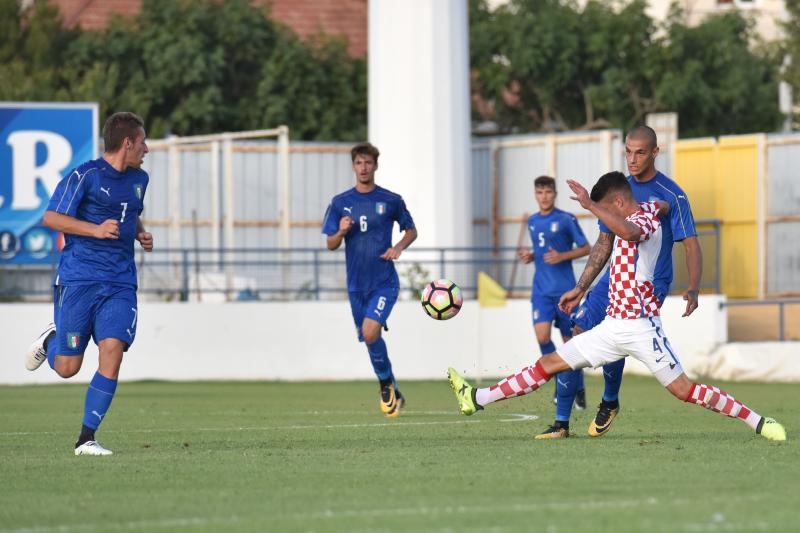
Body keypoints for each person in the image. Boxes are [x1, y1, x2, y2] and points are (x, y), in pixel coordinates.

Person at [447, 171, 786, 442]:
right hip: (611, 327)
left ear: (619, 202)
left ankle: (758, 421)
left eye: (608, 210)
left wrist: (590, 205)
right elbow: (648, 212)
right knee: (549, 363)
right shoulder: (649, 209)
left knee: (684, 390)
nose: (604, 218)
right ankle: (476, 399)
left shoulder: (644, 221)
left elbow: (631, 231)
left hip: (642, 328)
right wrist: (581, 287)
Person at [555, 124, 704, 438]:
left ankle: (609, 400)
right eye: (628, 152)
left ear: (655, 152)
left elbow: (691, 244)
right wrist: (581, 287)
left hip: (649, 283)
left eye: (639, 153)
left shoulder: (672, 194)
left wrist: (693, 287)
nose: (632, 159)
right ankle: (560, 423)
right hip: (614, 278)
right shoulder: (619, 190)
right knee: (576, 332)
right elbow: (604, 243)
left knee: (619, 333)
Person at [25, 111, 153, 456]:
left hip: (120, 281)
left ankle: (86, 438)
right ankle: (51, 339)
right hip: (79, 279)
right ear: (127, 143)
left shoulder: (140, 179)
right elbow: (52, 217)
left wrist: (139, 232)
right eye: (143, 142)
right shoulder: (86, 175)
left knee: (113, 350)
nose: (147, 149)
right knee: (68, 367)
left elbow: (130, 210)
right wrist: (95, 230)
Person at [322, 142, 417, 417]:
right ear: (353, 166)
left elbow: (411, 230)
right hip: (356, 286)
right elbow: (330, 244)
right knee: (368, 336)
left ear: (376, 166)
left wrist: (398, 247)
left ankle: (385, 384)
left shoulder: (391, 200)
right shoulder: (340, 203)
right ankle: (392, 387)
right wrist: (340, 232)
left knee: (371, 331)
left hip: (384, 282)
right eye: (359, 163)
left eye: (368, 163)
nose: (363, 168)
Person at [517, 176, 590, 439]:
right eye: (540, 192)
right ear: (535, 194)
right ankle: (562, 380)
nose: (544, 196)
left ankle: (576, 386)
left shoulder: (566, 219)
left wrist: (563, 256)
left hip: (565, 291)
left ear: (555, 194)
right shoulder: (532, 221)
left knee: (571, 345)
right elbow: (541, 249)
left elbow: (587, 248)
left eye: (548, 192)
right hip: (541, 292)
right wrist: (531, 256)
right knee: (542, 337)